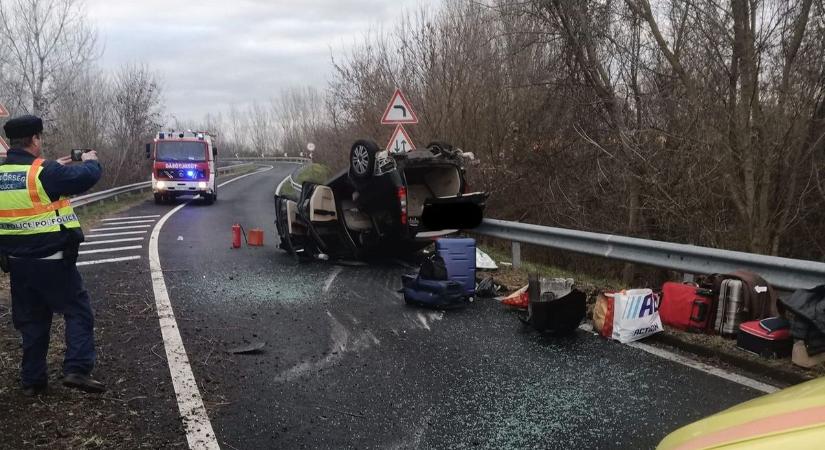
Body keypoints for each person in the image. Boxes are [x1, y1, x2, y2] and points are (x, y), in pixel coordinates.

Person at [0, 115, 105, 396]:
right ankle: (77, 369)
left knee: (32, 323)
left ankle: (32, 381)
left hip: (18, 264)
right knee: (78, 310)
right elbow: (87, 176)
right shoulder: (43, 172)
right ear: (35, 139)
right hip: (52, 261)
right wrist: (91, 159)